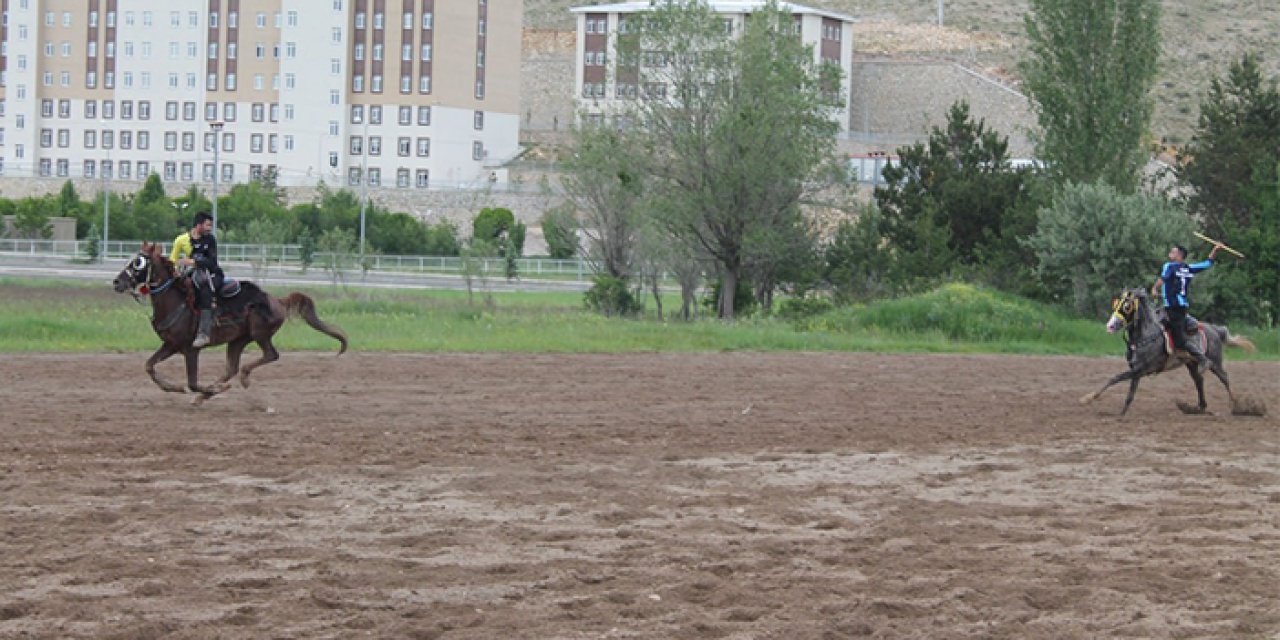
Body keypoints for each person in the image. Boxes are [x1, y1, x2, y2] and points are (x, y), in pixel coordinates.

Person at [1152, 243, 1220, 374]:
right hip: (1180, 307)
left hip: (1173, 308)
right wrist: (1215, 250)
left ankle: (1203, 359)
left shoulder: (1169, 266)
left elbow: (1163, 279)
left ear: (1179, 255)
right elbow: (1207, 263)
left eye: (1173, 251)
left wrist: (1155, 288)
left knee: (1180, 340)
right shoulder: (1189, 268)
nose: (1170, 253)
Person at [171, 212, 223, 348]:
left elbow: (212, 262)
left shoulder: (210, 240)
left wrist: (193, 262)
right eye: (207, 225)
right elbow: (174, 259)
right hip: (194, 273)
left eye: (210, 225)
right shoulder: (185, 240)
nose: (209, 228)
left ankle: (204, 334)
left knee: (204, 289)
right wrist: (176, 269)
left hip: (213, 275)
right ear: (198, 225)